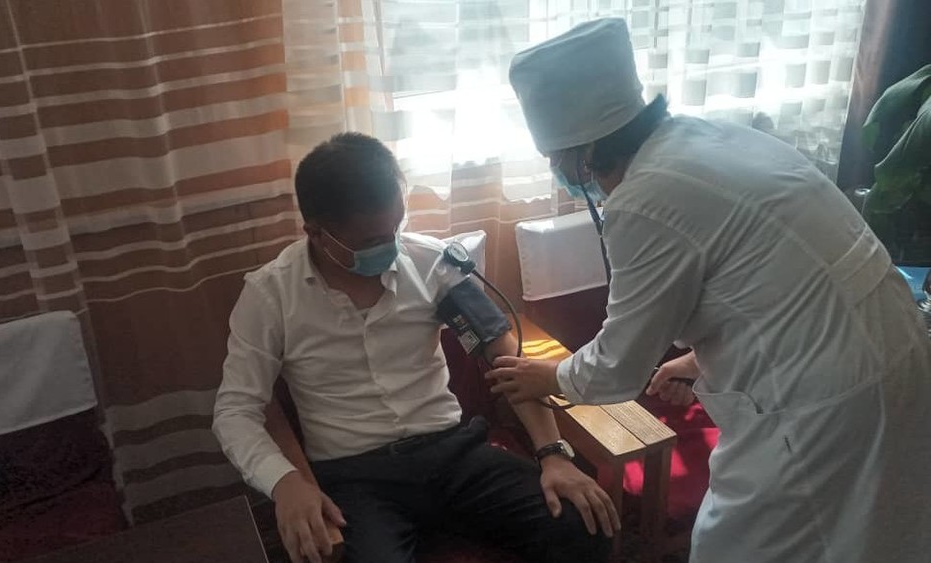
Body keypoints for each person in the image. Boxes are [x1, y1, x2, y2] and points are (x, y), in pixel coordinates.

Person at [486, 17, 931, 563]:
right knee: (875, 535)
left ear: (583, 153)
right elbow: (775, 283)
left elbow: (618, 368)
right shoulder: (714, 137)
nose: (558, 170)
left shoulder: (646, 199)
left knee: (743, 548)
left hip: (824, 403)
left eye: (557, 157)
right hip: (895, 352)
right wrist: (697, 362)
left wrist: (551, 375)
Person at [212, 132, 617, 563]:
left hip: (454, 456)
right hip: (357, 478)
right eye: (371, 242)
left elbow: (506, 359)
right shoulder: (271, 295)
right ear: (316, 232)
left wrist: (553, 455)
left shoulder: (432, 263)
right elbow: (236, 409)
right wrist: (286, 482)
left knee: (581, 525)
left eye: (396, 228)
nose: (391, 248)